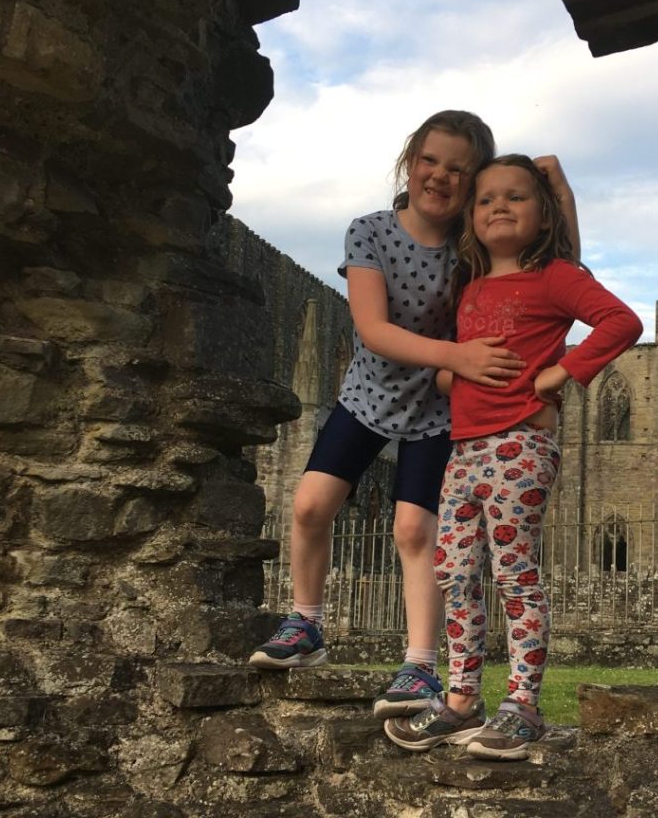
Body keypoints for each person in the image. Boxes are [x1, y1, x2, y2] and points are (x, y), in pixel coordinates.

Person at [248, 113, 580, 722]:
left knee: (413, 532)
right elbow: (373, 330)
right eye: (431, 160)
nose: (441, 176)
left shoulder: (474, 248)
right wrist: (458, 355)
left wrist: (559, 191)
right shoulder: (370, 232)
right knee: (309, 505)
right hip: (369, 395)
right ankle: (306, 625)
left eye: (459, 169)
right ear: (410, 161)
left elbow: (553, 266)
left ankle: (421, 666)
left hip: (437, 409)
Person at [384, 153, 642, 759]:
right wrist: (454, 374)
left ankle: (523, 705)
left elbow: (619, 321)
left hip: (521, 445)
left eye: (517, 196)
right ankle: (461, 700)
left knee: (514, 574)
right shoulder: (468, 286)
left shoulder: (555, 275)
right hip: (465, 450)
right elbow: (451, 360)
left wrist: (562, 372)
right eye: (487, 198)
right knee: (453, 572)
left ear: (544, 212)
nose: (500, 205)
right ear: (471, 218)